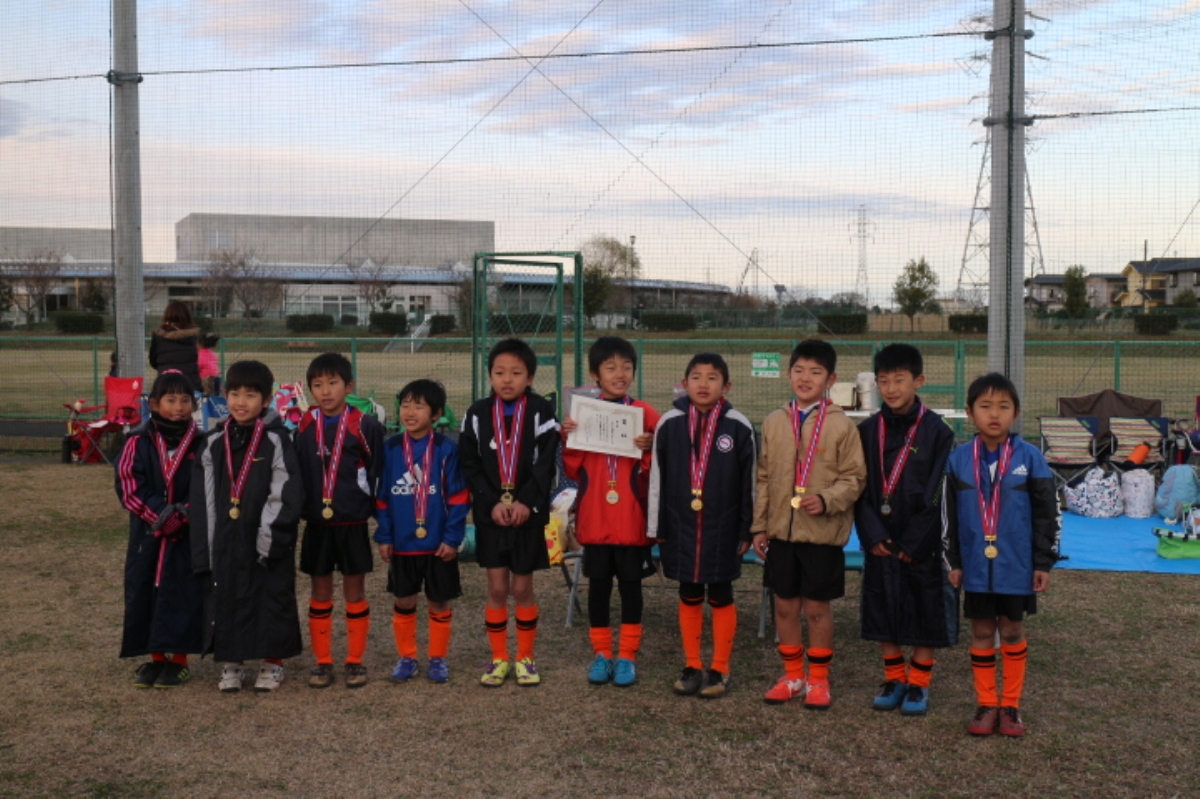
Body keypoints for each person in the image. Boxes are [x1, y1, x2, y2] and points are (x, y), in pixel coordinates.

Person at [751, 340, 866, 709]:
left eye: (816, 372)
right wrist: (759, 526)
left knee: (816, 608)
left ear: (830, 380)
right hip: (781, 533)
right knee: (785, 606)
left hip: (821, 535)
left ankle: (818, 679)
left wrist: (828, 499)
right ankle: (791, 676)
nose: (806, 378)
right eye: (799, 370)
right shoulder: (774, 421)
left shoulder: (842, 426)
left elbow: (855, 478)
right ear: (789, 375)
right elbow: (764, 478)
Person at [944, 372, 1060, 737]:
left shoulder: (1031, 458)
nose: (994, 414)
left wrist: (1043, 562)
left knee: (1011, 630)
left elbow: (1047, 514)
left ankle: (1010, 705)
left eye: (1004, 407)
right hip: (976, 566)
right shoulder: (958, 460)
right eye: (985, 406)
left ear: (1016, 413)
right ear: (969, 412)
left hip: (1017, 566)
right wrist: (954, 562)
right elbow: (947, 517)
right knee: (981, 631)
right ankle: (986, 703)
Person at [854, 344, 957, 715]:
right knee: (883, 607)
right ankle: (894, 677)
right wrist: (872, 533)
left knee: (925, 608)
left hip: (921, 544)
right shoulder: (867, 431)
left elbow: (940, 491)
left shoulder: (938, 432)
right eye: (884, 381)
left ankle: (919, 683)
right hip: (880, 538)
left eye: (899, 380)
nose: (891, 389)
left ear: (919, 381)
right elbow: (858, 486)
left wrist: (916, 541)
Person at [190, 360, 304, 693]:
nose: (241, 402)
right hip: (225, 538)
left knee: (272, 597)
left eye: (251, 395)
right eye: (235, 394)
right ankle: (232, 662)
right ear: (225, 395)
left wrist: (270, 537)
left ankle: (273, 662)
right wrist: (207, 545)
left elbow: (285, 490)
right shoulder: (213, 441)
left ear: (266, 400)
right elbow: (203, 497)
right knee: (227, 596)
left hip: (265, 538)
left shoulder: (277, 440)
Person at [647, 353, 756, 699]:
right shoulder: (669, 424)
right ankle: (692, 665)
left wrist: (746, 529)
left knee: (721, 594)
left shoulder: (738, 425)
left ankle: (720, 668)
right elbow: (657, 478)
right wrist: (657, 526)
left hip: (723, 528)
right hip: (680, 526)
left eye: (712, 378)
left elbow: (750, 483)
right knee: (689, 593)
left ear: (727, 386)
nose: (704, 384)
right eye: (696, 377)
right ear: (684, 383)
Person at [459, 338, 560, 687]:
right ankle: (499, 658)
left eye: (516, 373)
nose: (507, 379)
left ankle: (526, 658)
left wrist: (526, 503)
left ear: (529, 378)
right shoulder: (476, 414)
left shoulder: (541, 412)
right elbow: (469, 464)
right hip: (492, 514)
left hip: (526, 515)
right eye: (500, 372)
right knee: (497, 587)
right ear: (490, 376)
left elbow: (545, 465)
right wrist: (490, 503)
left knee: (522, 587)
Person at [561, 336, 660, 687]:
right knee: (599, 588)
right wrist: (568, 438)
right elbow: (573, 470)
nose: (620, 374)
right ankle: (602, 653)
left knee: (631, 589)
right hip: (596, 518)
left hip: (632, 520)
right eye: (611, 367)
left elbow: (661, 466)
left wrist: (651, 446)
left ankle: (627, 656)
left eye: (627, 367)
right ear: (595, 374)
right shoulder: (583, 415)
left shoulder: (646, 413)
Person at [294, 353, 386, 689]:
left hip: (352, 523)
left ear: (349, 386)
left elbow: (377, 473)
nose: (325, 391)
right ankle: (322, 662)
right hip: (317, 525)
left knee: (354, 591)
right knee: (319, 592)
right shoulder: (305, 424)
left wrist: (379, 518)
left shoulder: (365, 425)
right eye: (317, 385)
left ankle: (355, 661)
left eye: (332, 383)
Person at [115, 370, 206, 689]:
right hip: (147, 536)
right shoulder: (137, 441)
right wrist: (161, 516)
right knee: (144, 589)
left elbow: (209, 487)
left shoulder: (203, 442)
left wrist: (184, 515)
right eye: (170, 400)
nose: (178, 407)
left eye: (185, 400)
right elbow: (129, 486)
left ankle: (179, 660)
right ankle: (155, 657)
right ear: (154, 404)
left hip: (186, 536)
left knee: (184, 592)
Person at [375, 379, 470, 684]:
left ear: (437, 414)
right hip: (403, 544)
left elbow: (458, 498)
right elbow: (382, 498)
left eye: (419, 406)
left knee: (438, 602)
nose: (410, 412)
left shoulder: (446, 449)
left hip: (438, 545)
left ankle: (438, 658)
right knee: (404, 600)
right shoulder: (390, 449)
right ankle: (407, 657)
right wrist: (385, 536)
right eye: (405, 405)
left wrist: (452, 538)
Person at [148, 301, 202, 393]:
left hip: (165, 385)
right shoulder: (195, 336)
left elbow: (153, 361)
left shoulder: (158, 336)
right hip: (191, 386)